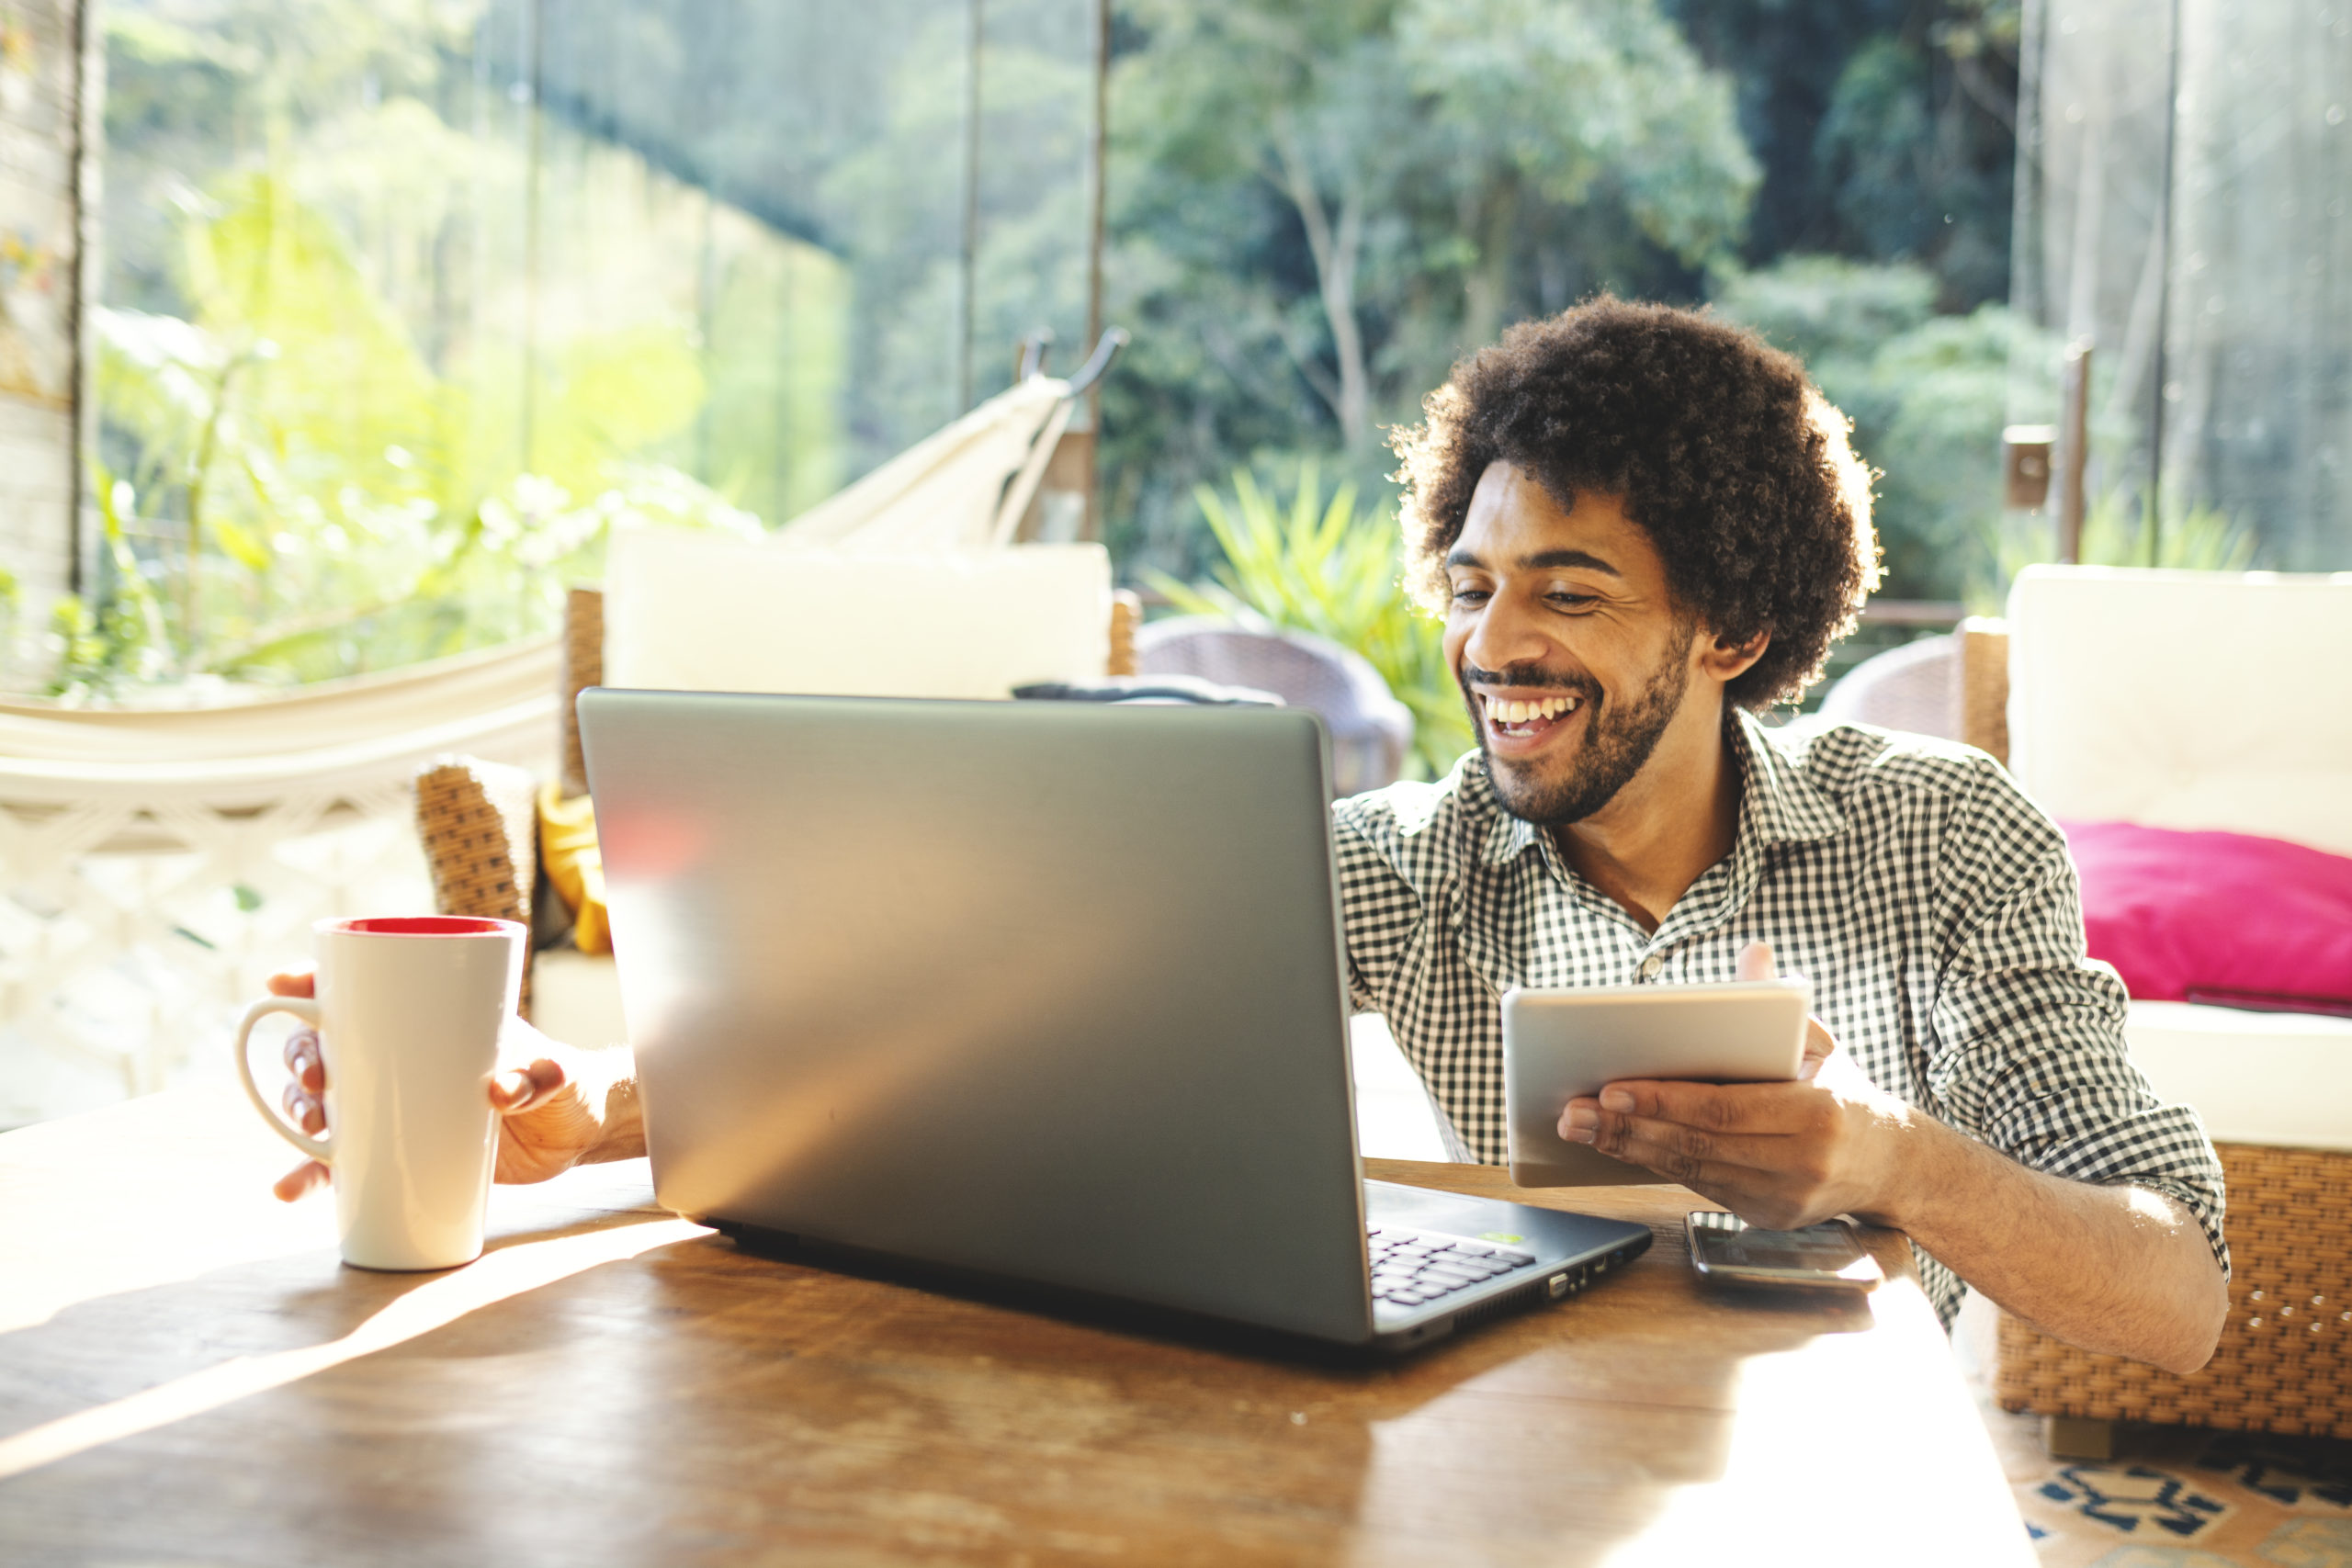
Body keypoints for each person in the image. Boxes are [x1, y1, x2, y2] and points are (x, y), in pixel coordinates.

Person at [271, 298, 2227, 1372]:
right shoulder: (1394, 859)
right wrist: (585, 1099)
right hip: (1514, 1423)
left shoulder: (1943, 838)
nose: (1489, 647)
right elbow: (970, 1014)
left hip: (1823, 1459)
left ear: (1728, 624)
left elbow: (2176, 1289)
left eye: (1565, 590)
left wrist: (1883, 1155)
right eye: (1467, 585)